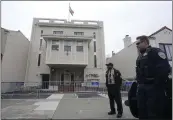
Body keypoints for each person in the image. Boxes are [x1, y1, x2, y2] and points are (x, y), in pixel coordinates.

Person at [135, 35, 171, 119]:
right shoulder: (140, 57)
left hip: (154, 88)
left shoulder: (156, 52)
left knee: (153, 113)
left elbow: (165, 69)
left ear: (145, 42)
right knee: (142, 111)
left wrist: (156, 85)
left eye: (138, 43)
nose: (137, 46)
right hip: (142, 88)